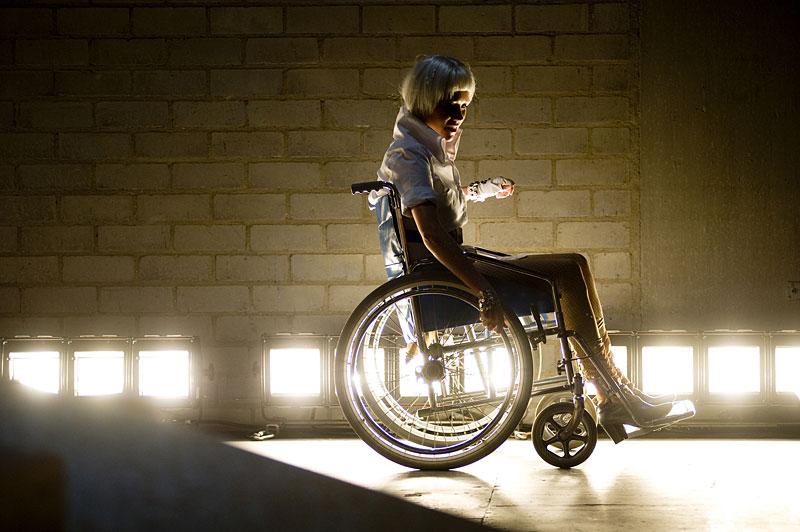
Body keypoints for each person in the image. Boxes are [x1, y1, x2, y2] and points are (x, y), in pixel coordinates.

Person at [371, 55, 672, 430]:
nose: (460, 114)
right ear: (425, 98)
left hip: (448, 269)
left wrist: (482, 190)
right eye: (451, 103)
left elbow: (439, 201)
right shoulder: (409, 156)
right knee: (567, 273)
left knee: (576, 264)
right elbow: (430, 234)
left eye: (465, 105)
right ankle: (611, 395)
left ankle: (616, 390)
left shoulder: (425, 148)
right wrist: (484, 293)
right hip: (444, 280)